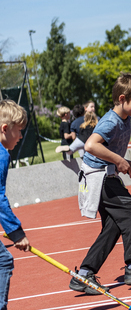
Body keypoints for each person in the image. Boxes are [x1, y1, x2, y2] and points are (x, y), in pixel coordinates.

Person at [70, 73, 131, 295]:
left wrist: (123, 162)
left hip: (107, 175)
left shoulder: (125, 118)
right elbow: (91, 146)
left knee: (113, 226)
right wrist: (118, 160)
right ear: (122, 98)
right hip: (98, 178)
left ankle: (83, 275)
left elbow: (109, 149)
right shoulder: (111, 121)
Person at [0, 99, 31, 309]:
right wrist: (16, 232)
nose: (20, 136)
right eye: (18, 131)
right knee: (3, 261)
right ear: (4, 129)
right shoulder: (1, 154)